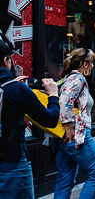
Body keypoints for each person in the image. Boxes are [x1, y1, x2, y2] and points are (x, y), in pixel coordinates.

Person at [0, 37, 60, 198]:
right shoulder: (16, 90)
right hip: (12, 165)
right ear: (6, 60)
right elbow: (50, 120)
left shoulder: (12, 87)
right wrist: (53, 95)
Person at [55, 48, 95, 199]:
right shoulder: (78, 79)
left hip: (62, 137)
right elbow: (65, 101)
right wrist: (69, 127)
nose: (93, 66)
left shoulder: (67, 78)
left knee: (65, 179)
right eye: (91, 63)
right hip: (76, 135)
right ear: (84, 64)